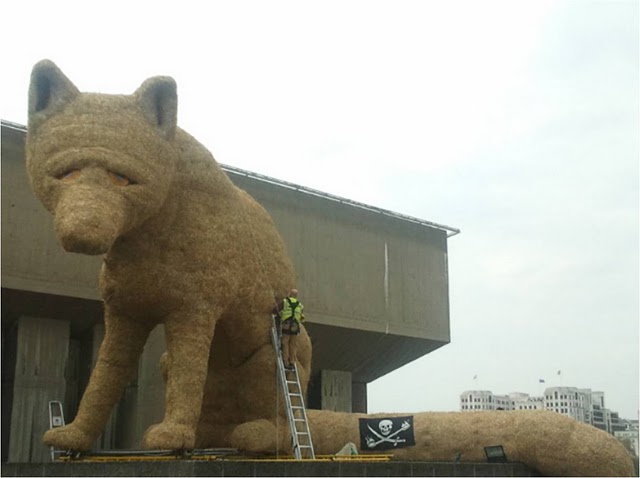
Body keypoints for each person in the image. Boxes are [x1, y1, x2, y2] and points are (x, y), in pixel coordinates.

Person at [276, 289, 305, 369]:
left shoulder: (285, 301)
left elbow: (276, 309)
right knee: (293, 345)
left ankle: (285, 362)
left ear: (290, 294)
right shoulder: (300, 305)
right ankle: (292, 362)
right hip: (295, 327)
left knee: (285, 343)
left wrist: (280, 315)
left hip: (286, 325)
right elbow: (302, 318)